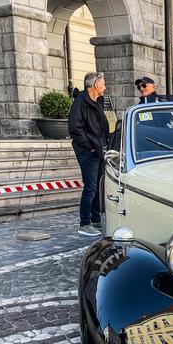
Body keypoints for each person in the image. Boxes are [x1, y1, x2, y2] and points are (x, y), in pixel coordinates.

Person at [68, 71, 110, 237]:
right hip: (88, 151)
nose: (105, 86)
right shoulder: (80, 103)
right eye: (103, 83)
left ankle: (96, 219)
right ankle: (85, 223)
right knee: (90, 187)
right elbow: (74, 128)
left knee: (98, 187)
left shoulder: (98, 101)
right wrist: (91, 146)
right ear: (95, 85)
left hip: (99, 149)